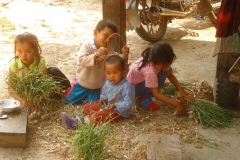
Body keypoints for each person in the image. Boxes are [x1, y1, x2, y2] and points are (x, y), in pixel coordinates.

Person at [64, 19, 129, 104]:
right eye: (105, 36)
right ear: (95, 33)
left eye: (111, 39)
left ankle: (88, 98)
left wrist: (124, 55)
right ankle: (73, 84)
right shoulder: (87, 46)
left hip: (96, 86)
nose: (108, 40)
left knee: (95, 105)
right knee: (68, 101)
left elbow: (116, 59)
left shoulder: (108, 50)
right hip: (83, 83)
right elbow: (81, 60)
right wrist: (96, 55)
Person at [61, 55, 135, 129]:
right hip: (107, 106)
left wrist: (115, 105)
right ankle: (95, 114)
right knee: (88, 106)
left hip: (118, 112)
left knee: (99, 115)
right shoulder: (108, 82)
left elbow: (128, 103)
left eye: (115, 73)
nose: (111, 76)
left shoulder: (127, 87)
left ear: (123, 72)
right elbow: (104, 93)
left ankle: (76, 123)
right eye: (108, 73)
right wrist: (103, 99)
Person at [127, 42, 195, 114]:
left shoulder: (155, 59)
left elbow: (170, 75)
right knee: (162, 73)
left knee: (168, 70)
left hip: (141, 80)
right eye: (165, 65)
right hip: (134, 89)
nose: (167, 67)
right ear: (155, 62)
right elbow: (157, 95)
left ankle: (155, 84)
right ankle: (143, 97)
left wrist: (181, 90)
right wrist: (177, 104)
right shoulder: (150, 72)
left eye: (168, 64)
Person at [8, 32, 71, 108]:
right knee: (22, 74)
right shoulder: (14, 65)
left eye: (27, 51)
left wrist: (39, 99)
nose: (23, 55)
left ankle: (69, 90)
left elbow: (45, 86)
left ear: (35, 51)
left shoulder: (40, 63)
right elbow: (11, 88)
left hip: (39, 92)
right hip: (24, 95)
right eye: (19, 51)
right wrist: (21, 100)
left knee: (53, 71)